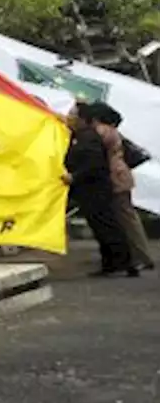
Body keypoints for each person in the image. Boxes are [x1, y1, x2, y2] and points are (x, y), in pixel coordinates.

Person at [64, 103, 135, 277]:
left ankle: (123, 262)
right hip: (90, 188)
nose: (69, 117)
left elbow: (93, 164)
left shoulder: (89, 137)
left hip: (96, 188)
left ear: (83, 118)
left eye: (73, 115)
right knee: (101, 226)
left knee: (106, 225)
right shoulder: (81, 135)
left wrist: (75, 176)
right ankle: (111, 263)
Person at [84, 102, 153, 271]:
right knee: (127, 217)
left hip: (115, 176)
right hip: (122, 174)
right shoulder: (112, 130)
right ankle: (139, 255)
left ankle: (141, 256)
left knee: (126, 218)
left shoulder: (101, 131)